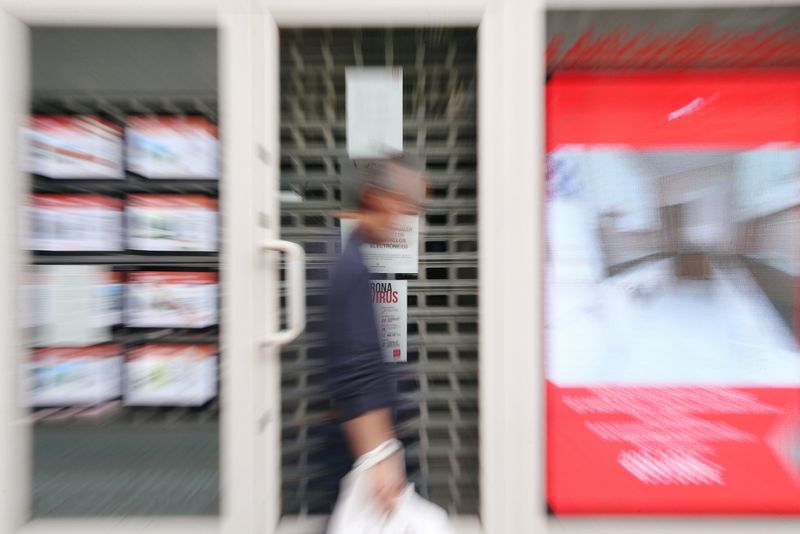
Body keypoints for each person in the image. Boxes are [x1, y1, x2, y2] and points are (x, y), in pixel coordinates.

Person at [325, 153, 427, 514]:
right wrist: (379, 458)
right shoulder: (350, 267)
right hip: (364, 453)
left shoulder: (352, 257)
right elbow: (356, 368)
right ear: (375, 197)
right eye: (405, 203)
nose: (410, 216)